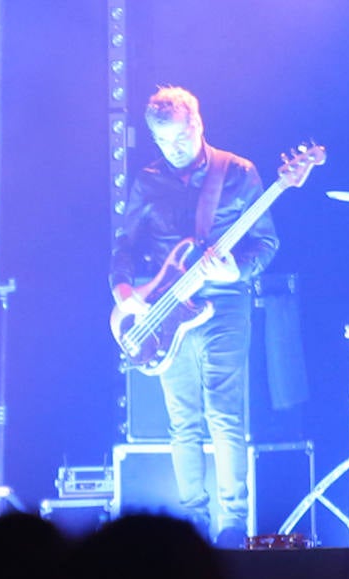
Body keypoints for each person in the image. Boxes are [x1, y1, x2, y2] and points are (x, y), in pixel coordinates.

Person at [110, 87, 279, 547]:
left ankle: (232, 527)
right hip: (165, 310)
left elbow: (266, 243)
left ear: (198, 124)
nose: (174, 149)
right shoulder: (147, 181)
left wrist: (236, 269)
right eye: (163, 142)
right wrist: (124, 292)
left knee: (224, 414)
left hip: (224, 302)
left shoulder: (238, 172)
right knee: (182, 420)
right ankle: (193, 525)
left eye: (181, 138)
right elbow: (125, 246)